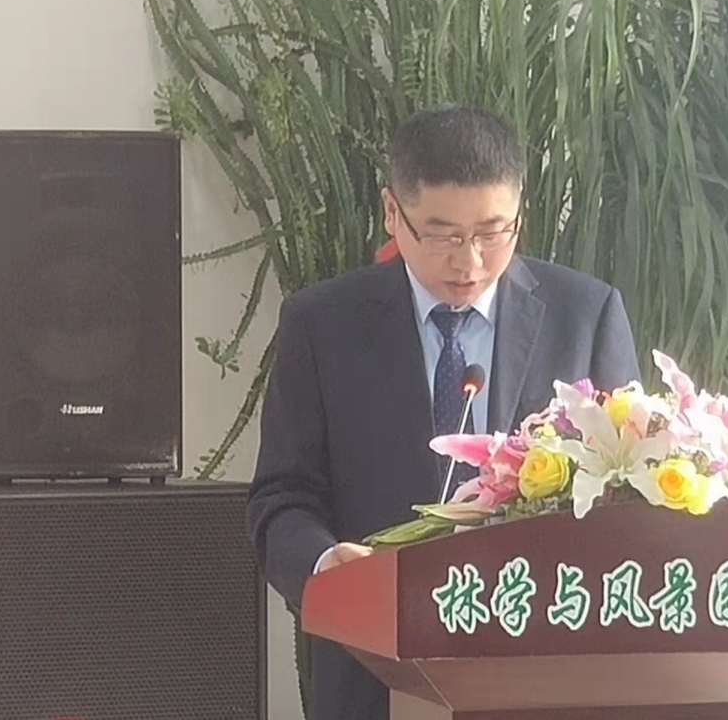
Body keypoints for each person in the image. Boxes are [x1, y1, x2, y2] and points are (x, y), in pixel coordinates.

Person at [246, 104, 641, 720]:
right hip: (373, 681)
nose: (470, 262)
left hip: (547, 680)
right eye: (443, 234)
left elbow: (628, 497)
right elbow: (281, 498)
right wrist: (327, 567)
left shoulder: (584, 316)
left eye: (493, 232)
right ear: (392, 213)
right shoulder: (322, 325)